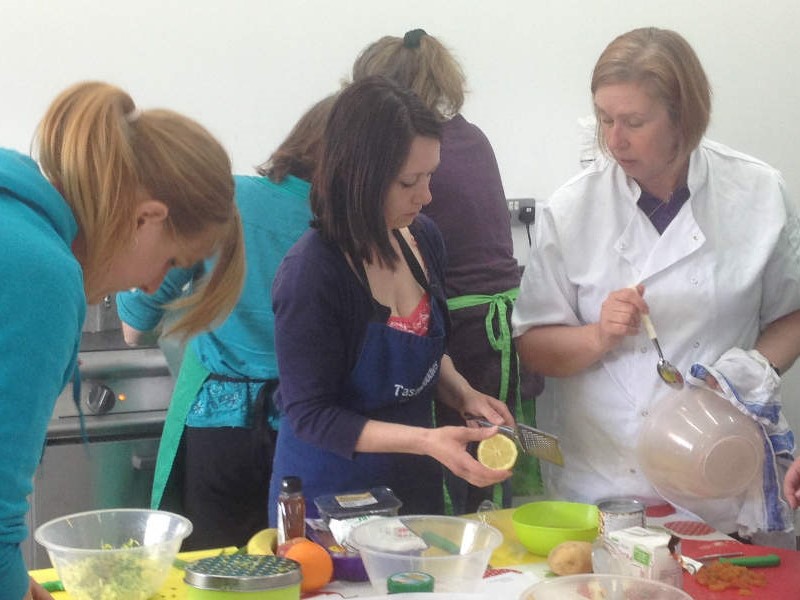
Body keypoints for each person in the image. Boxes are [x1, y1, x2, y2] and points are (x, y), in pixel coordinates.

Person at [512, 27, 800, 547]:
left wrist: (751, 371)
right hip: (602, 484)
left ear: (683, 119)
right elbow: (533, 346)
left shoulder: (757, 194)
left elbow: (792, 316)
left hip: (716, 476)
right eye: (604, 119)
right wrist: (598, 335)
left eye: (634, 122)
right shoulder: (575, 208)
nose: (614, 139)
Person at [0, 81, 244, 600]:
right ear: (148, 218)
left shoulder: (13, 203)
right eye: (173, 261)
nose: (155, 285)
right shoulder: (41, 273)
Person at [267, 75, 515, 525]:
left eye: (430, 176)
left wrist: (464, 393)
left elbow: (423, 351)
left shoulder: (423, 240)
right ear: (359, 177)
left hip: (411, 488)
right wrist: (425, 440)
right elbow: (310, 415)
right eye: (408, 182)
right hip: (329, 501)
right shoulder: (311, 273)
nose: (426, 196)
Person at [115, 94, 335, 550]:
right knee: (308, 571)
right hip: (315, 433)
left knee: (217, 574)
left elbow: (134, 326)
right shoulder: (357, 228)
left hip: (221, 431)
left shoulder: (230, 202)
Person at [351, 28, 544, 513]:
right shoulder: (470, 136)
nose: (423, 192)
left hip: (465, 323)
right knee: (485, 465)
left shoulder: (417, 154)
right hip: (495, 323)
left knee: (462, 466)